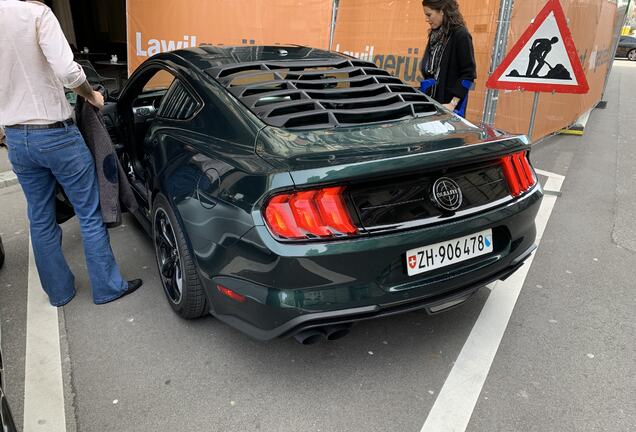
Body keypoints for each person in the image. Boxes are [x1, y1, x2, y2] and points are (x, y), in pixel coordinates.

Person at [0, 0, 142, 306]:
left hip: (16, 137)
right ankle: (107, 287)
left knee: (40, 217)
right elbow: (68, 72)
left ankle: (59, 292)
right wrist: (92, 96)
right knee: (88, 213)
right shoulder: (36, 14)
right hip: (55, 132)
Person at [421, 0, 477, 112]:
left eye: (429, 15)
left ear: (442, 11)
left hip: (449, 107)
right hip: (431, 103)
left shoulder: (461, 35)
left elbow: (468, 74)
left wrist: (452, 104)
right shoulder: (435, 35)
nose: (426, 19)